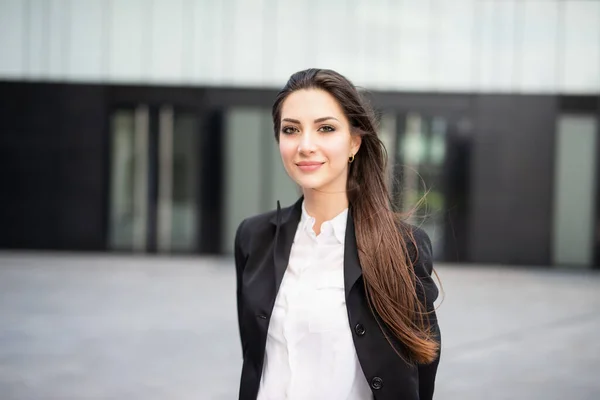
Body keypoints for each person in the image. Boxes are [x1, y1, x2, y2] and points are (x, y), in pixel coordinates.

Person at [234, 68, 441, 400]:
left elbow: (419, 374)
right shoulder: (253, 237)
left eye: (325, 128)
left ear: (354, 143)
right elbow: (256, 359)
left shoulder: (404, 247)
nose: (305, 145)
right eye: (291, 130)